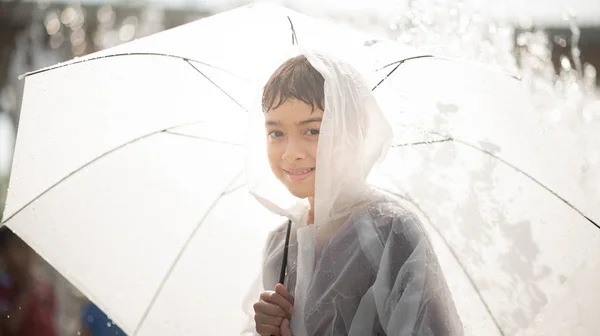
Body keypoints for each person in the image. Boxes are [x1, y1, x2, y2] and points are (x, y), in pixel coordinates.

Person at [243, 51, 463, 336]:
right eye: (276, 133)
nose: (291, 153)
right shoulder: (281, 244)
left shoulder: (388, 231)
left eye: (312, 131)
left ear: (352, 132)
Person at [0, 227, 56, 336]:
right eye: (19, 247)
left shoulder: (44, 288)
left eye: (28, 246)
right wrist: (25, 292)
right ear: (3, 253)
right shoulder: (3, 288)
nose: (27, 253)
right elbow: (10, 325)